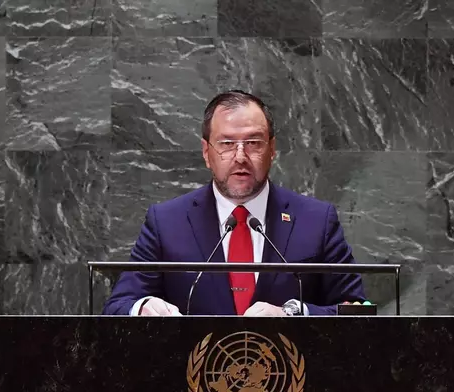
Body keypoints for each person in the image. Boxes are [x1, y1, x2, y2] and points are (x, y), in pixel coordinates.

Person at [102, 90, 366, 317]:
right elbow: (118, 306)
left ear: (272, 149)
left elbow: (358, 310)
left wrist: (293, 313)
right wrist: (143, 307)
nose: (240, 157)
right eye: (227, 143)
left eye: (253, 143)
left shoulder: (316, 221)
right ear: (206, 152)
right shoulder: (167, 222)